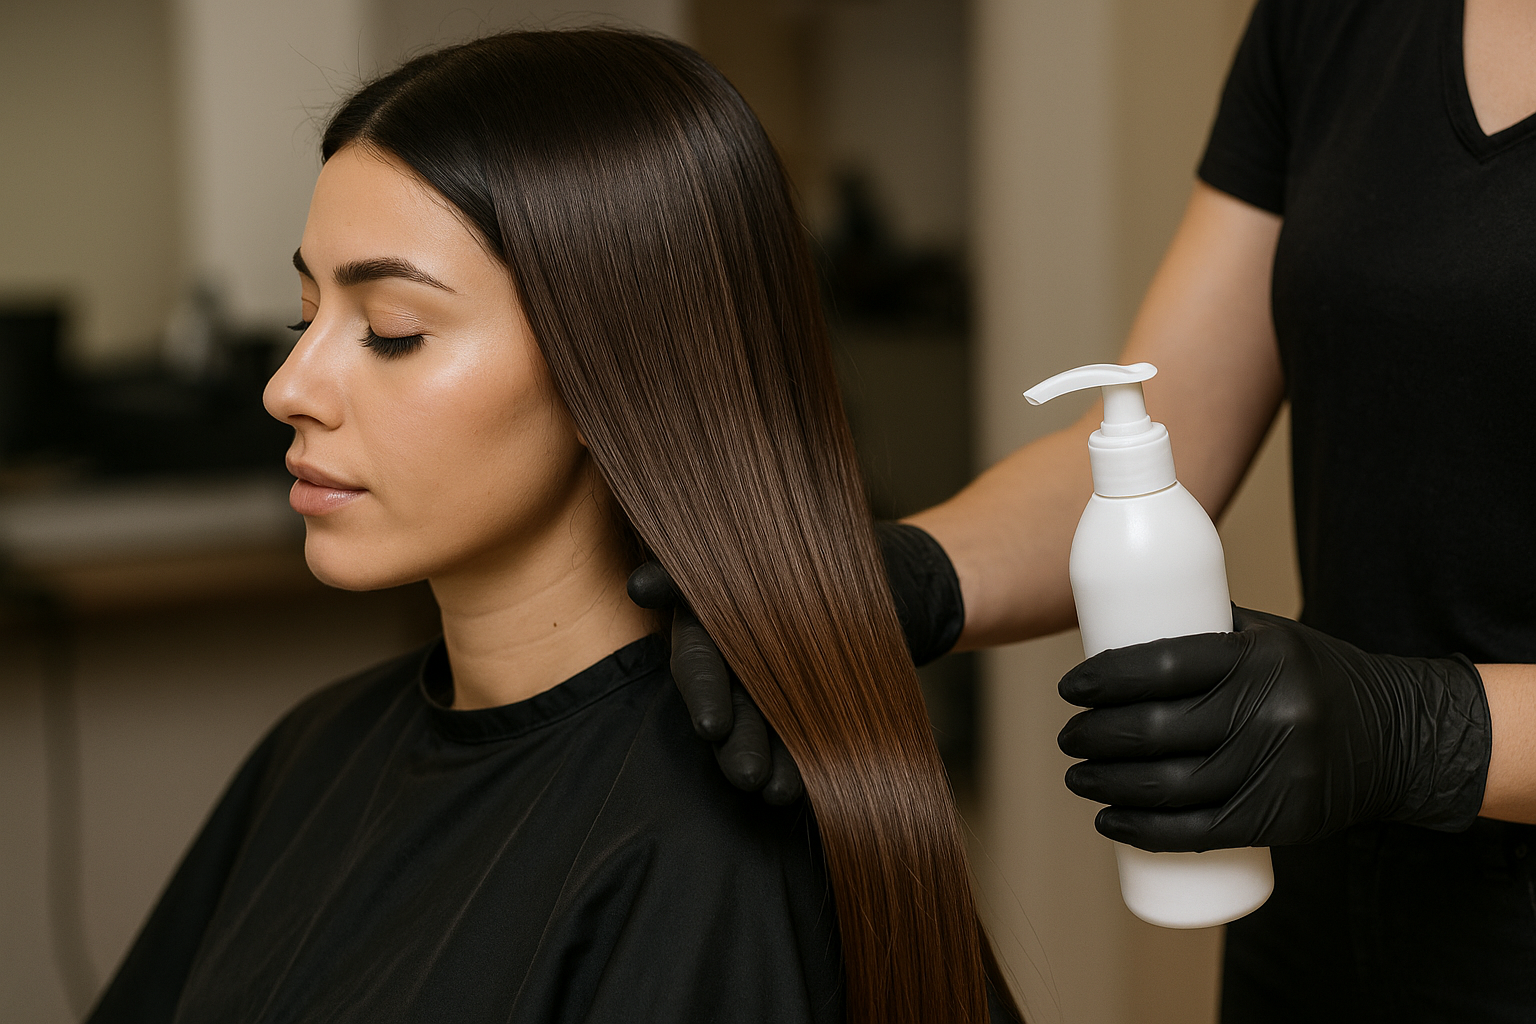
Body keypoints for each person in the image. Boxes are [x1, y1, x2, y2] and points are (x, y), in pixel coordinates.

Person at [86, 30, 1019, 1024]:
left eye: (392, 331)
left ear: (614, 368)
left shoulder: (697, 850)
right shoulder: (312, 755)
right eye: (302, 316)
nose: (288, 387)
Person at [669, 1, 1536, 1020]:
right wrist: (890, 578)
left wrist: (1427, 733)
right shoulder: (1330, 21)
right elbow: (1156, 441)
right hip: (1324, 888)